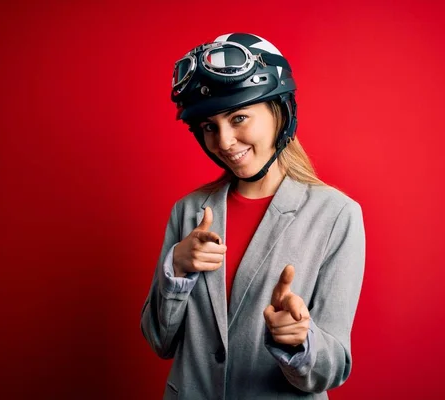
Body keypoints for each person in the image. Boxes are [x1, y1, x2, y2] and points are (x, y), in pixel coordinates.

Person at [140, 32, 366, 399]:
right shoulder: (187, 212)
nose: (225, 141)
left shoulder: (337, 215)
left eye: (239, 117)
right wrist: (176, 269)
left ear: (281, 111)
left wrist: (299, 340)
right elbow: (160, 341)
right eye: (209, 127)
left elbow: (332, 367)